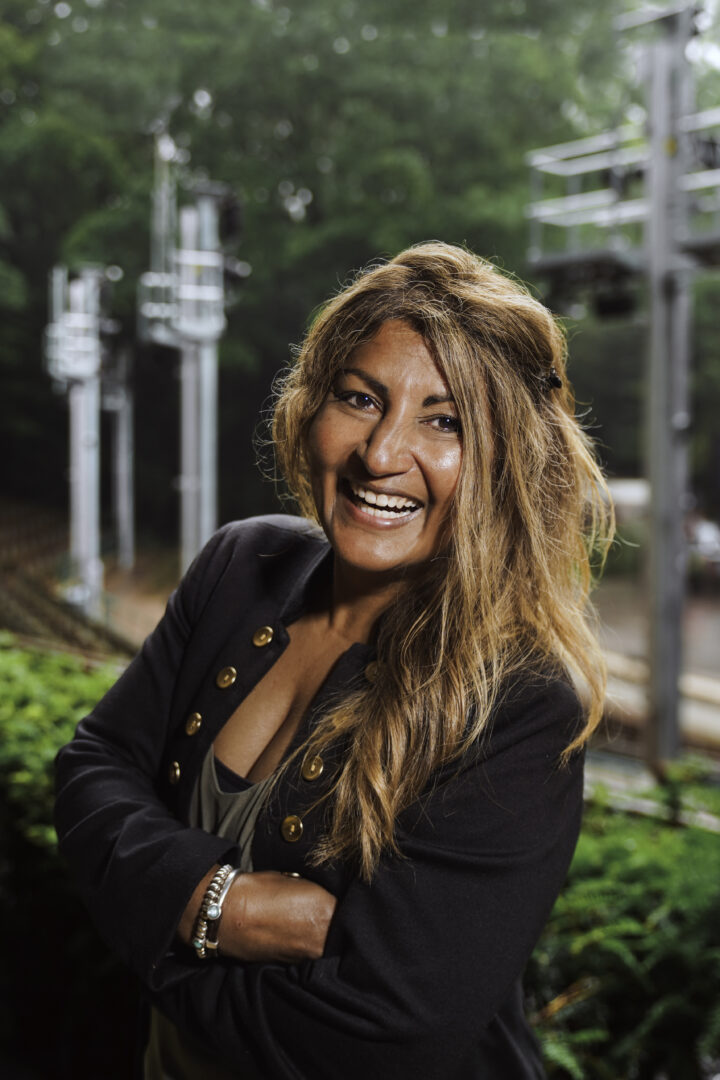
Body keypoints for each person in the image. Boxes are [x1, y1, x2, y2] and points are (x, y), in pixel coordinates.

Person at [54, 241, 613, 1079]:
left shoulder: (519, 702)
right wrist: (222, 907)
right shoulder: (241, 565)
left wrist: (150, 924)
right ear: (312, 405)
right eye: (360, 398)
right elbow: (92, 767)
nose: (381, 454)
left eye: (445, 421)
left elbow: (379, 1034)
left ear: (508, 463)